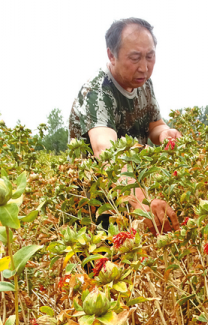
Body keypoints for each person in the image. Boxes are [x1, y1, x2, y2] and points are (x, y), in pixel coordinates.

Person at [69, 18, 181, 234]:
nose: (144, 67)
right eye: (135, 58)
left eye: (150, 57)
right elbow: (105, 149)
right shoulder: (97, 91)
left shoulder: (144, 83)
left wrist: (165, 134)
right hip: (99, 200)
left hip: (134, 189)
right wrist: (141, 200)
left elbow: (154, 125)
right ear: (111, 55)